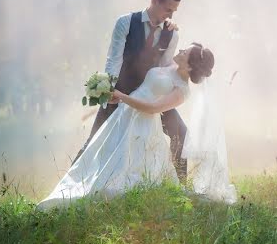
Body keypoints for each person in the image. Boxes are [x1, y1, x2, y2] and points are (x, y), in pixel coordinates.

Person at [38, 43, 235, 209]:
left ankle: (107, 191)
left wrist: (122, 97)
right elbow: (145, 89)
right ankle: (84, 184)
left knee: (127, 165)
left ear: (191, 67)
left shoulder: (182, 90)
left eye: (185, 52)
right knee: (104, 154)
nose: (181, 50)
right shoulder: (169, 65)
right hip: (126, 113)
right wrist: (119, 100)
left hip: (143, 124)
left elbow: (153, 108)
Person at [75, 0, 186, 179]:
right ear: (154, 0)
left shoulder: (172, 33)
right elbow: (114, 58)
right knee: (94, 141)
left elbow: (165, 66)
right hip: (120, 93)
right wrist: (107, 89)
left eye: (174, 11)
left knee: (180, 132)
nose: (170, 15)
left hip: (150, 96)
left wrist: (169, 95)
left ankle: (183, 185)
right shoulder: (125, 22)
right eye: (168, 9)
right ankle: (70, 185)